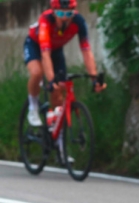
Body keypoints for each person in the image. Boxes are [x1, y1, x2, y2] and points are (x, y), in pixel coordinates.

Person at [24, 0, 106, 129]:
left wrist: (94, 79)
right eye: (61, 13)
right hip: (36, 45)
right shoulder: (46, 19)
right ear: (54, 12)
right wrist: (51, 80)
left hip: (56, 49)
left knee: (60, 89)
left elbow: (86, 51)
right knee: (37, 72)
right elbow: (45, 55)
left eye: (69, 14)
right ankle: (33, 108)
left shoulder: (79, 21)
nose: (64, 18)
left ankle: (56, 129)